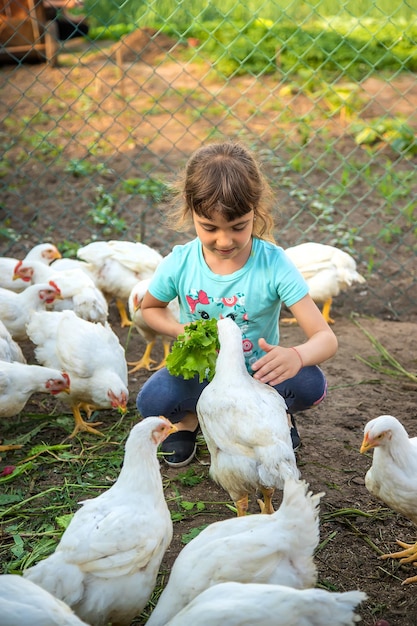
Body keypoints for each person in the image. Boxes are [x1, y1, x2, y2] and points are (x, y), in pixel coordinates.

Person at [136, 141, 338, 467]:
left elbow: (326, 339)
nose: (225, 241)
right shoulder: (180, 262)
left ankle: (276, 414)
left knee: (308, 383)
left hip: (258, 374)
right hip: (202, 374)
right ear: (191, 211)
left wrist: (295, 355)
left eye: (238, 227)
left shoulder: (273, 263)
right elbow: (150, 308)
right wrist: (177, 329)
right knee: (151, 401)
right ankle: (190, 419)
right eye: (209, 228)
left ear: (255, 211)